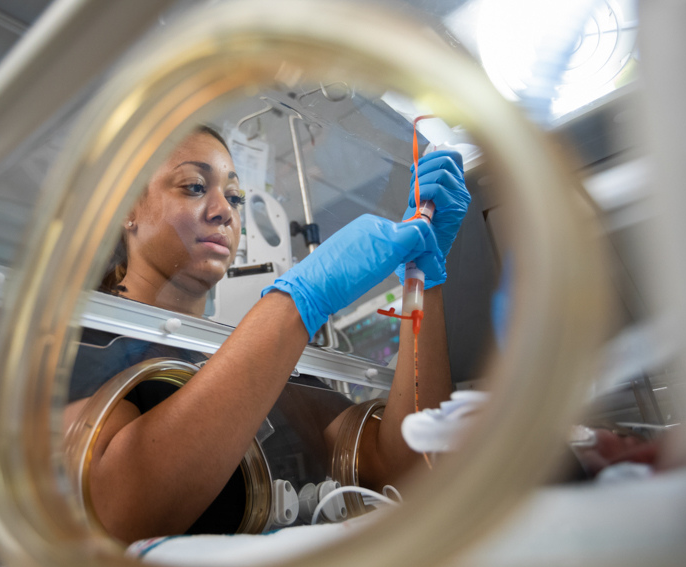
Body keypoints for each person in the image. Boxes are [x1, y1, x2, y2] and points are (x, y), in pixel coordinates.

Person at [64, 125, 471, 543]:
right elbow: (115, 511)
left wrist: (423, 278)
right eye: (194, 186)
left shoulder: (262, 357)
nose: (225, 209)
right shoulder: (75, 344)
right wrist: (299, 300)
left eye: (235, 197)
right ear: (125, 209)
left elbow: (408, 467)